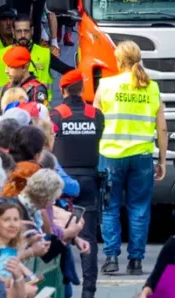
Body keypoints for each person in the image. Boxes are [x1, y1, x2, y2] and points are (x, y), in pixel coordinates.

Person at [97, 40, 166, 275]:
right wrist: (162, 160)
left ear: (118, 60)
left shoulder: (106, 85)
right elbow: (162, 128)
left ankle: (111, 258)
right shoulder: (152, 88)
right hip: (142, 156)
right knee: (139, 208)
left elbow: (96, 122)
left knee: (110, 207)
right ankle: (136, 261)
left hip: (111, 155)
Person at [50, 70, 103, 298]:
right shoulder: (96, 115)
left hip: (62, 183)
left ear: (62, 90)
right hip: (89, 180)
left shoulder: (56, 115)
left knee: (58, 234)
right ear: (82, 89)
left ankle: (62, 288)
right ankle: (88, 293)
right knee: (88, 237)